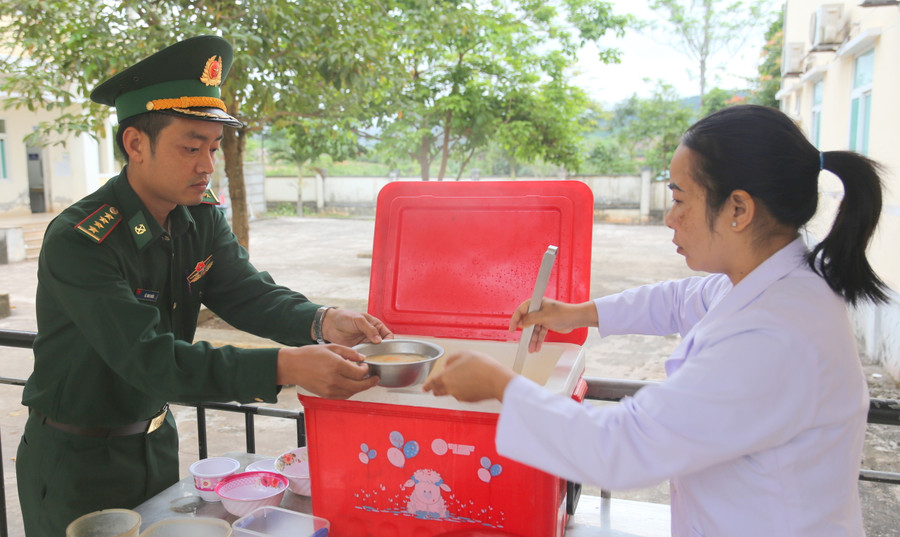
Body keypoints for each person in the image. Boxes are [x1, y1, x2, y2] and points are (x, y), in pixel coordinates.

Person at [424, 104, 888, 536]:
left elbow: (622, 449)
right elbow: (678, 299)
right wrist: (577, 312)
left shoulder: (774, 336)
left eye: (681, 199)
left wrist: (501, 385)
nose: (669, 218)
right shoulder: (769, 282)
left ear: (738, 209)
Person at [16, 35, 391, 535]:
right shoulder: (82, 240)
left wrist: (321, 321)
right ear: (135, 144)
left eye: (213, 147)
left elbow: (246, 291)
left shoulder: (198, 216)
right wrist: (286, 366)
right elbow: (149, 358)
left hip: (155, 442)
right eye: (191, 147)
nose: (207, 164)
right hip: (75, 462)